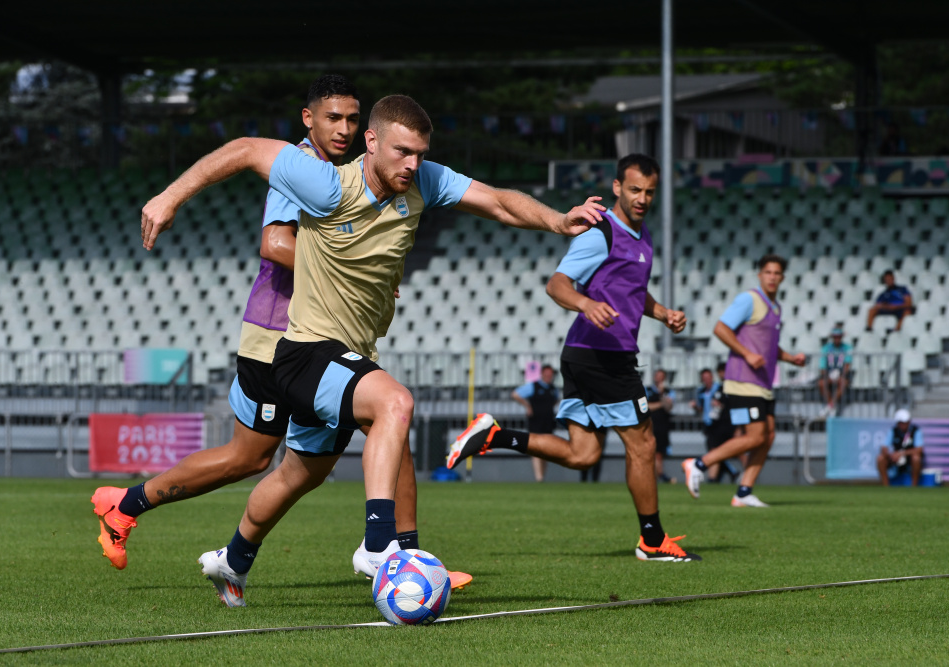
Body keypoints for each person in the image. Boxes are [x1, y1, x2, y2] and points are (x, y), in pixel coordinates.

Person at [140, 94, 605, 606]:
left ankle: (232, 562)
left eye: (420, 154)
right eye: (402, 151)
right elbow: (248, 149)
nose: (413, 163)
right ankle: (380, 547)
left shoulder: (423, 180)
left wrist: (558, 221)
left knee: (299, 474)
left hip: (349, 353)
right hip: (305, 350)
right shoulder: (325, 182)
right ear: (371, 142)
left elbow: (496, 200)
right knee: (395, 404)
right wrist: (170, 197)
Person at [92, 77, 472, 591]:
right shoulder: (299, 171)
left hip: (320, 336)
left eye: (353, 119)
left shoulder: (348, 176)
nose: (344, 128)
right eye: (332, 118)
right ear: (307, 119)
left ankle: (202, 543)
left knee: (302, 463)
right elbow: (274, 242)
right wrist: (354, 268)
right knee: (288, 449)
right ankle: (394, 555)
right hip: (278, 335)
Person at [446, 154, 700, 563]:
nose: (642, 198)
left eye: (650, 192)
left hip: (587, 355)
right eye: (635, 189)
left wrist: (663, 312)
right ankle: (652, 540)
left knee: (583, 455)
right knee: (643, 444)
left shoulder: (643, 235)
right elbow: (557, 284)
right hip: (604, 355)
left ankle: (495, 436)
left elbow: (633, 291)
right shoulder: (601, 232)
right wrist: (586, 304)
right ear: (617, 187)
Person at [682, 255, 806, 508]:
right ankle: (697, 464)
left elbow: (768, 346)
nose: (772, 277)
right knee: (754, 436)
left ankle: (744, 492)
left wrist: (790, 358)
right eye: (768, 272)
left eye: (777, 273)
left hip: (762, 384)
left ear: (782, 278)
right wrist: (747, 354)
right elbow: (721, 328)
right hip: (741, 381)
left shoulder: (776, 307)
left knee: (767, 436)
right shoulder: (749, 299)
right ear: (760, 275)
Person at [511, 364, 559, 482]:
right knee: (537, 448)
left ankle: (542, 476)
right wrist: (527, 405)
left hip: (548, 422)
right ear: (542, 374)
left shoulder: (553, 389)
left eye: (550, 374)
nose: (548, 376)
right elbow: (515, 394)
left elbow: (556, 400)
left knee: (546, 450)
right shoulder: (534, 386)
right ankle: (539, 477)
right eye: (547, 374)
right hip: (536, 422)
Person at [691, 366, 737, 483]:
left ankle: (713, 477)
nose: (707, 380)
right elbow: (701, 408)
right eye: (704, 378)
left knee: (715, 451)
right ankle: (731, 472)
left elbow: (726, 405)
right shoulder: (701, 392)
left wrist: (719, 405)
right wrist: (696, 407)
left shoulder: (719, 389)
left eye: (708, 377)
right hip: (709, 424)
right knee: (716, 451)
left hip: (721, 424)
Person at [877, 409, 925, 486]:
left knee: (916, 458)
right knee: (880, 458)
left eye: (906, 423)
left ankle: (914, 486)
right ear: (898, 423)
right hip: (895, 458)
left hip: (909, 458)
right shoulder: (893, 431)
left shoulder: (915, 431)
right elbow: (884, 447)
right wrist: (891, 455)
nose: (904, 425)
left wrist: (901, 453)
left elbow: (919, 449)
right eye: (901, 423)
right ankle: (886, 487)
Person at [645, 368, 676, 484]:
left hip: (663, 426)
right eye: (658, 376)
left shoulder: (668, 391)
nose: (659, 378)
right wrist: (661, 403)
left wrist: (662, 395)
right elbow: (646, 407)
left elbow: (669, 408)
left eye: (662, 376)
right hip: (649, 424)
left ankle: (659, 475)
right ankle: (653, 476)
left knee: (659, 453)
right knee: (649, 451)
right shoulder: (647, 390)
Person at [818, 325, 853, 417]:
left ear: (841, 337)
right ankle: (832, 406)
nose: (837, 338)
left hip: (841, 375)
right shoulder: (826, 348)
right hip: (829, 374)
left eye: (839, 336)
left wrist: (841, 375)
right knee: (821, 383)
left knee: (843, 383)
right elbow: (822, 366)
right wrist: (828, 376)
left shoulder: (847, 348)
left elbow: (847, 364)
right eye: (835, 336)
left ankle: (830, 405)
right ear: (832, 337)